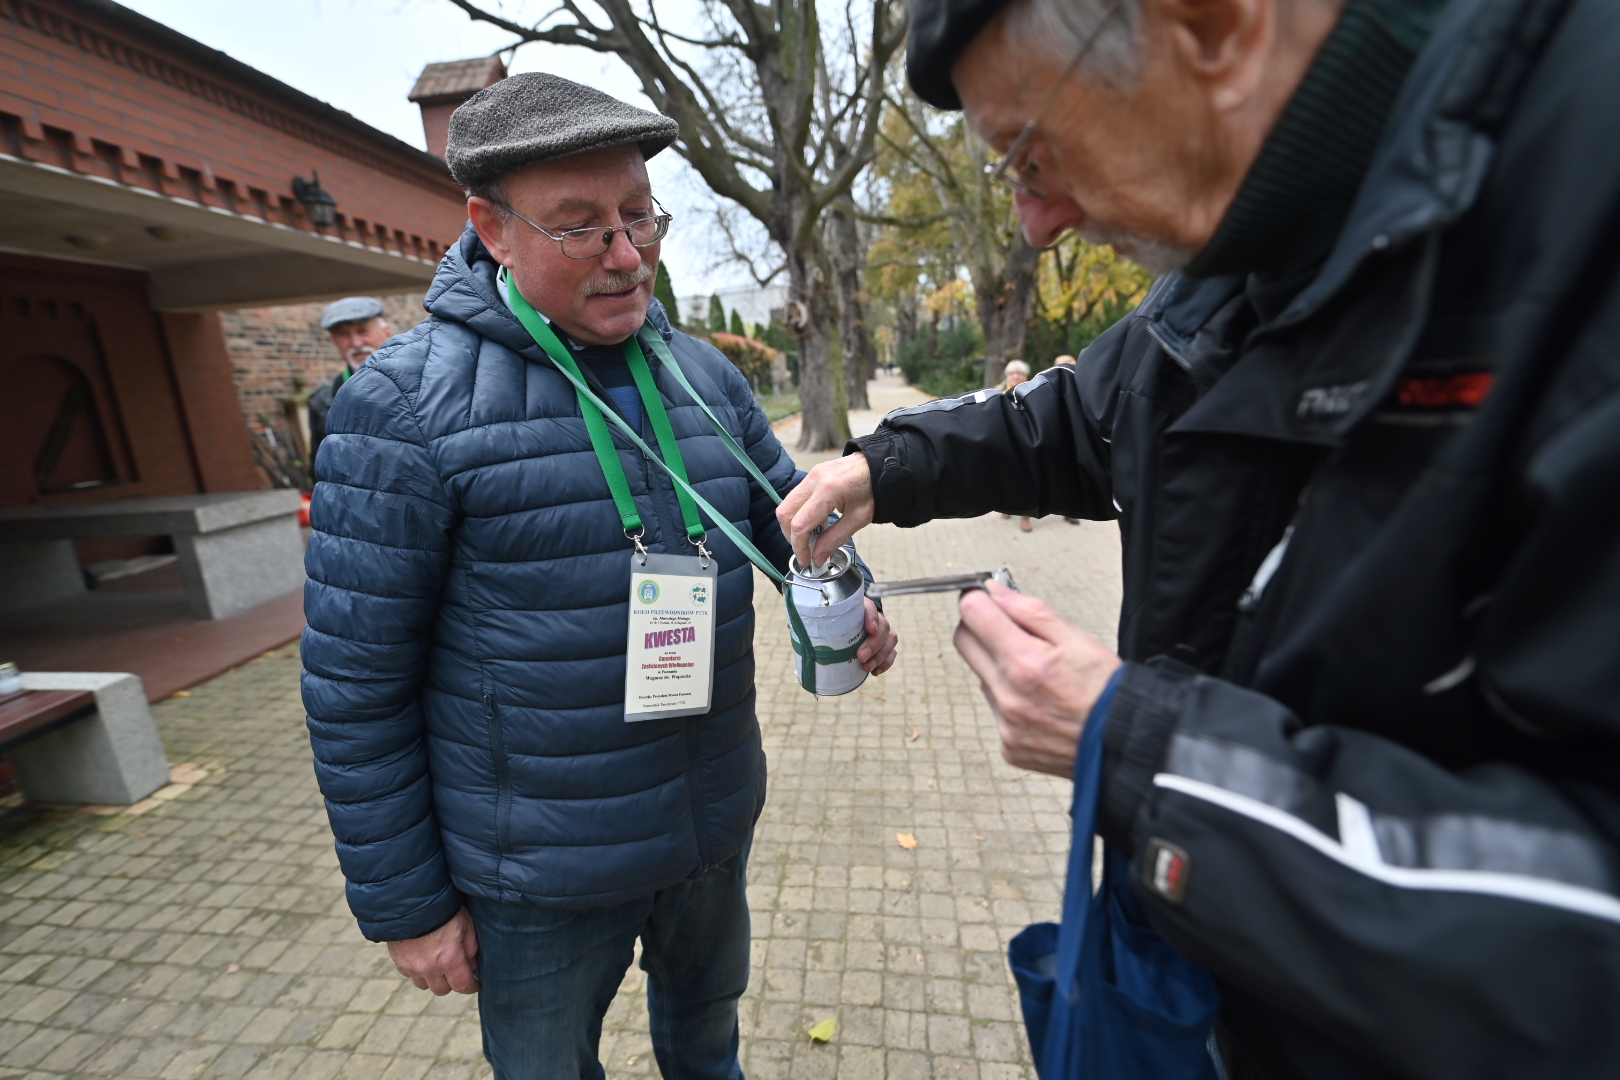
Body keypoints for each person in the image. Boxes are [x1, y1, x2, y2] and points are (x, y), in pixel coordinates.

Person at [778, 0, 1620, 1075]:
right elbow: (1085, 416)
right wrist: (879, 469)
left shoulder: (1581, 200)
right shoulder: (1244, 253)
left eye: (1034, 156)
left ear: (1214, 28)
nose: (1035, 223)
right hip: (1223, 999)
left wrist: (1145, 755)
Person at [301, 73, 898, 1080]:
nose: (627, 254)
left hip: (710, 825)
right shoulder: (404, 410)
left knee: (708, 1046)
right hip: (540, 872)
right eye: (581, 228)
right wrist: (409, 908)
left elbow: (798, 520)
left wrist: (852, 589)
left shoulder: (702, 373)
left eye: (638, 216)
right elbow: (355, 691)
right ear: (490, 228)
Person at [305, 296, 391, 465]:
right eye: (344, 334)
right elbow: (320, 466)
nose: (356, 343)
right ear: (334, 341)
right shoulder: (322, 400)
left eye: (363, 330)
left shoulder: (422, 385)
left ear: (386, 332)